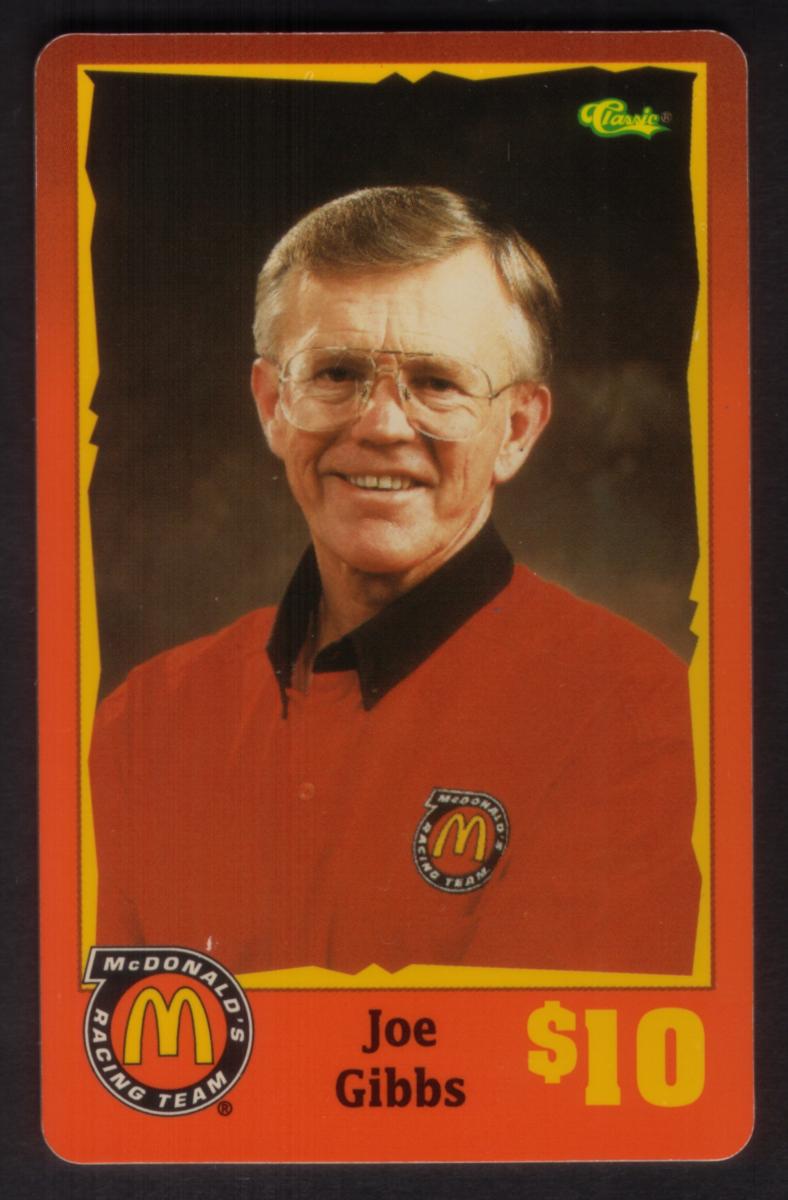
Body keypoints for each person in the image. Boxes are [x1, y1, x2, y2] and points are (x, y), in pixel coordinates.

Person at [90, 186, 700, 976]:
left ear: (517, 429)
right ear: (273, 405)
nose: (380, 425)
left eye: (438, 382)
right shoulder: (146, 721)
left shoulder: (633, 718)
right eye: (335, 373)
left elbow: (524, 1055)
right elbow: (91, 1041)